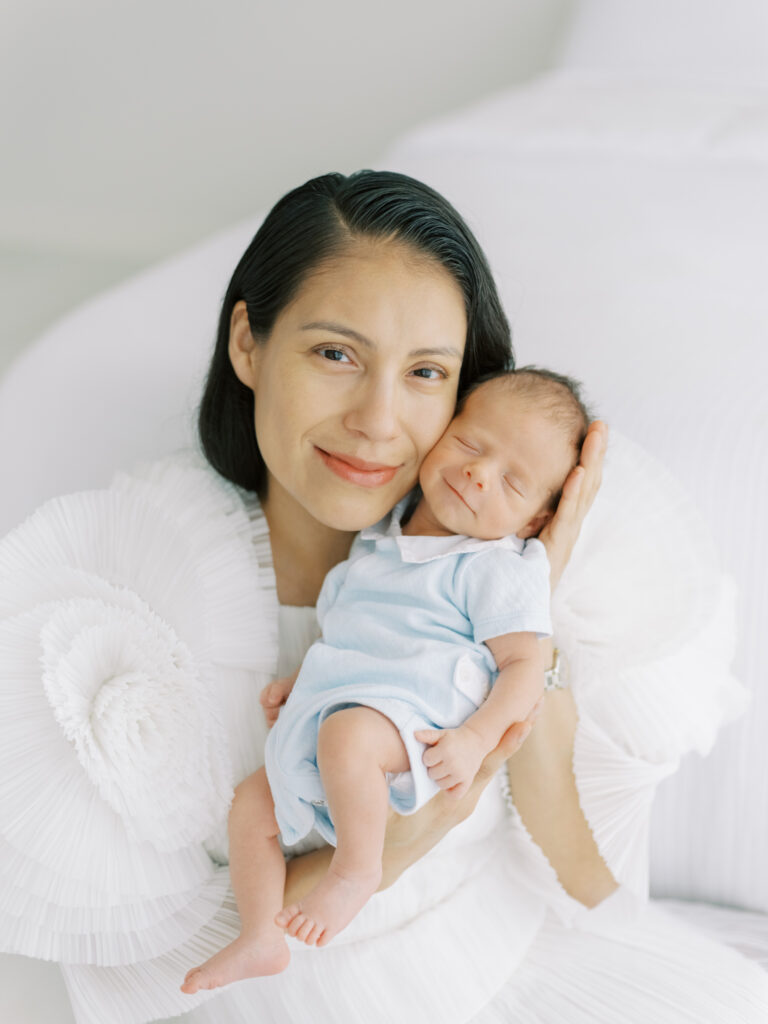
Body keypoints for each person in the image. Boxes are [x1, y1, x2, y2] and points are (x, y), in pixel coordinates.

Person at [1, 170, 765, 1024]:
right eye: (336, 354)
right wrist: (401, 843)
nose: (377, 418)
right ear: (248, 343)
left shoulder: (521, 566)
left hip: (506, 972)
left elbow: (590, 888)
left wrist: (528, 631)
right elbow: (140, 981)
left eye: (427, 372)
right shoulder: (136, 593)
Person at [181, 368, 589, 992]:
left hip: (415, 725)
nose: (479, 473)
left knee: (347, 740)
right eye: (472, 445)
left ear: (532, 523)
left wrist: (477, 738)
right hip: (344, 708)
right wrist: (309, 678)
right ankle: (259, 935)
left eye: (511, 481)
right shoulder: (380, 535)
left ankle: (356, 871)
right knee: (251, 807)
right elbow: (358, 633)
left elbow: (524, 668)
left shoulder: (495, 567)